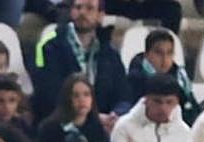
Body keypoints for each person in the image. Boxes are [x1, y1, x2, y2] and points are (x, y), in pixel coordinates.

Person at [32, 0, 132, 128]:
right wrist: (93, 117)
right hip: (63, 124)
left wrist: (116, 114)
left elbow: (124, 95)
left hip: (104, 125)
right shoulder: (52, 47)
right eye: (78, 7)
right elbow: (49, 94)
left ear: (100, 15)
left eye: (90, 8)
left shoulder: (109, 51)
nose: (82, 12)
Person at [125, 28, 200, 127]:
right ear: (147, 55)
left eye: (169, 53)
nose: (165, 59)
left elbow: (193, 110)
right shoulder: (135, 79)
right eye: (158, 53)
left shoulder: (181, 79)